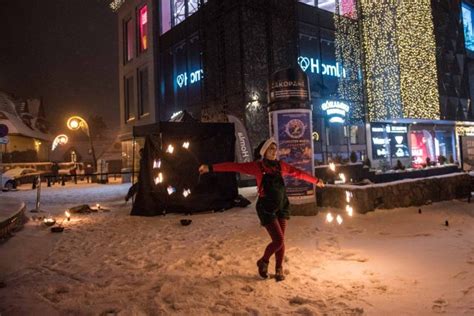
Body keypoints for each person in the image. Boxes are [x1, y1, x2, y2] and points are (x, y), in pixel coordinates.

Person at [199, 137, 324, 282]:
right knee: (277, 241)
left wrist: (315, 181)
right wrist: (210, 167)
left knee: (281, 241)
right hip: (266, 208)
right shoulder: (257, 167)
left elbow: (297, 172)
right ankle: (263, 261)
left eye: (275, 148)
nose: (274, 150)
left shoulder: (280, 166)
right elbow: (234, 166)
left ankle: (278, 269)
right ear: (264, 151)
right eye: (271, 148)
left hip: (281, 206)